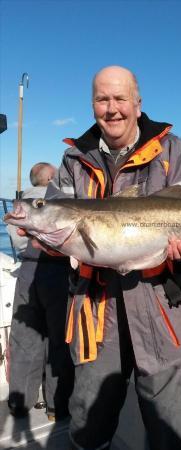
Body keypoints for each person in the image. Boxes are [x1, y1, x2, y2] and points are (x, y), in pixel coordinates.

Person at [37, 66, 181, 449]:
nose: (112, 108)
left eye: (120, 98)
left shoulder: (172, 151)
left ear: (138, 103)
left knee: (173, 429)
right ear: (92, 105)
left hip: (169, 312)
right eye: (102, 99)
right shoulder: (74, 159)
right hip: (97, 314)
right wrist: (41, 235)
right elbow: (57, 223)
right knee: (88, 420)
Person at [7, 162, 74, 421]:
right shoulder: (55, 203)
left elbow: (16, 238)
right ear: (51, 180)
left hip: (27, 272)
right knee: (59, 340)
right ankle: (56, 406)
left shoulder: (18, 204)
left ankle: (19, 401)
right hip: (57, 272)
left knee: (25, 338)